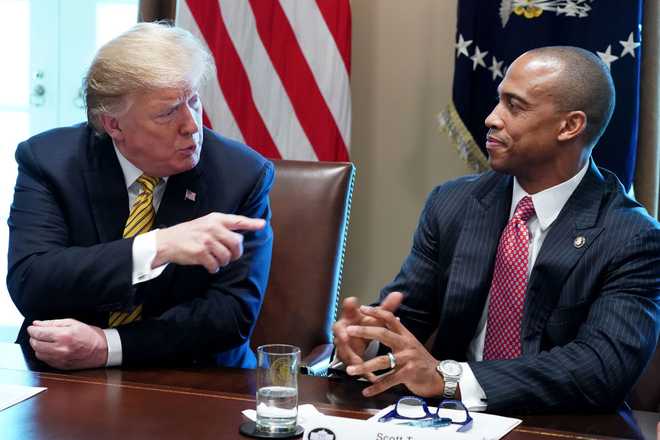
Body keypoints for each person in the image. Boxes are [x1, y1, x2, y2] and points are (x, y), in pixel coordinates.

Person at [333, 46, 660, 413]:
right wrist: (368, 340)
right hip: (448, 423)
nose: (491, 118)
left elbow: (601, 368)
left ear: (570, 126)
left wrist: (451, 379)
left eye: (514, 106)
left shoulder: (632, 236)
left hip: (564, 425)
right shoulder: (453, 203)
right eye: (497, 101)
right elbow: (409, 317)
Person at [8, 22, 274, 370]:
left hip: (196, 381)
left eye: (193, 101)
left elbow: (230, 316)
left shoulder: (241, 175)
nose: (192, 125)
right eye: (168, 112)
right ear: (113, 125)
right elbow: (33, 282)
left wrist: (108, 346)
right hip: (62, 375)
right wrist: (156, 248)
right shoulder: (49, 161)